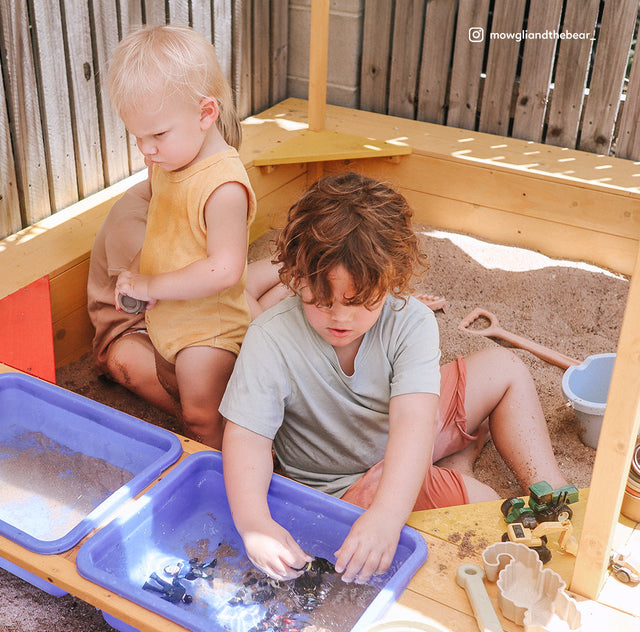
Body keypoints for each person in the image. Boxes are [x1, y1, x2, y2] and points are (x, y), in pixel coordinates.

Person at [220, 172, 571, 586]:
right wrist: (255, 524)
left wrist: (390, 518)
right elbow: (247, 441)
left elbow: (413, 424)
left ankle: (556, 494)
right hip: (350, 485)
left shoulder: (412, 320)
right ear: (295, 277)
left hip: (405, 443)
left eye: (359, 301)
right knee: (487, 508)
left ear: (392, 283)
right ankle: (460, 464)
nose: (341, 317)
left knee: (505, 367)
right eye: (322, 298)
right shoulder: (270, 338)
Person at [106, 25, 257, 449]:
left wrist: (152, 284)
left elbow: (224, 269)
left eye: (157, 135)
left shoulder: (223, 185)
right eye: (136, 136)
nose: (146, 149)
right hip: (171, 317)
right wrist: (137, 273)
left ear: (206, 113)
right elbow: (164, 230)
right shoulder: (168, 164)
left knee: (202, 415)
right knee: (180, 394)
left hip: (210, 329)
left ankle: (234, 470)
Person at [87, 180, 288, 416]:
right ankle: (223, 417)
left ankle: (296, 273)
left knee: (276, 283)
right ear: (152, 162)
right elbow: (172, 293)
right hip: (140, 329)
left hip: (199, 302)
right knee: (125, 360)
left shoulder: (203, 196)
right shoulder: (133, 221)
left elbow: (224, 279)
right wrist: (272, 347)